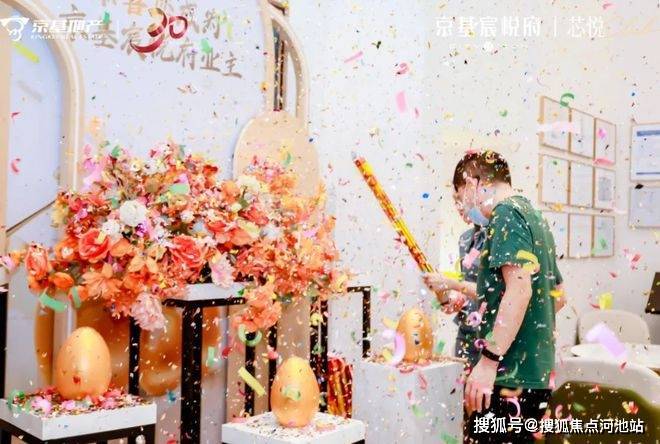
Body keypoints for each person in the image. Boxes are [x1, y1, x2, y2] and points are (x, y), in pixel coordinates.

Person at [424, 151, 565, 443]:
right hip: (535, 374)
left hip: (509, 376)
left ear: (472, 183)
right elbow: (558, 296)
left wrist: (489, 361)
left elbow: (520, 289)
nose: (463, 206)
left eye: (460, 196)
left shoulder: (505, 214)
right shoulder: (534, 217)